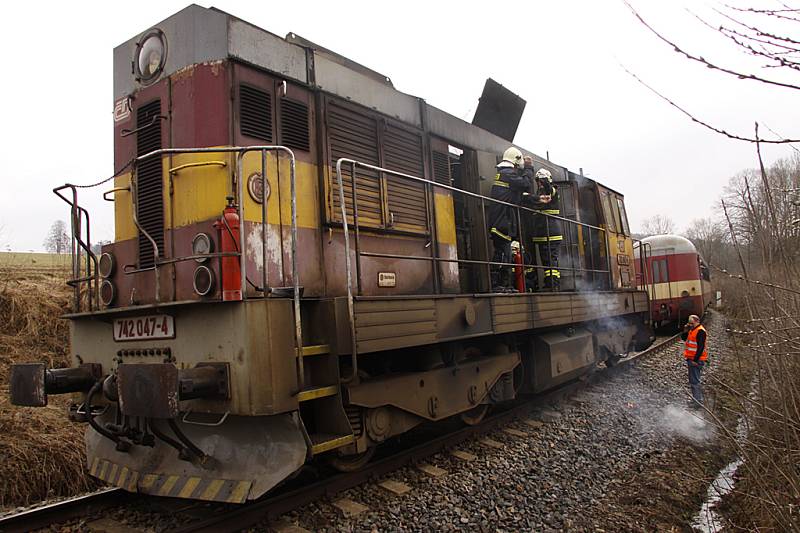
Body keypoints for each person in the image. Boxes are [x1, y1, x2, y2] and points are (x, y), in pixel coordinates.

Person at [487, 146, 532, 292]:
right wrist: (529, 168)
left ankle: (503, 286)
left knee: (505, 255)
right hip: (501, 222)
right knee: (502, 254)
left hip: (502, 221)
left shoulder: (504, 174)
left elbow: (516, 196)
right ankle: (497, 286)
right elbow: (526, 184)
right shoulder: (508, 173)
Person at [524, 168, 562, 291]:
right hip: (542, 234)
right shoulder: (539, 194)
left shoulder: (553, 191)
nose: (539, 183)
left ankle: (553, 285)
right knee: (546, 261)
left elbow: (549, 191)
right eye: (538, 181)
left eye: (541, 181)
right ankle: (548, 284)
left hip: (551, 233)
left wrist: (544, 180)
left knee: (550, 262)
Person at [681, 314, 708, 407]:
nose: (690, 325)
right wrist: (685, 330)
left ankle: (697, 402)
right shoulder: (692, 330)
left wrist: (695, 360)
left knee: (695, 381)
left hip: (696, 360)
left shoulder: (700, 331)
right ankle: (696, 399)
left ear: (697, 321)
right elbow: (684, 339)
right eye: (689, 323)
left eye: (691, 323)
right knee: (693, 380)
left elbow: (701, 347)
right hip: (691, 359)